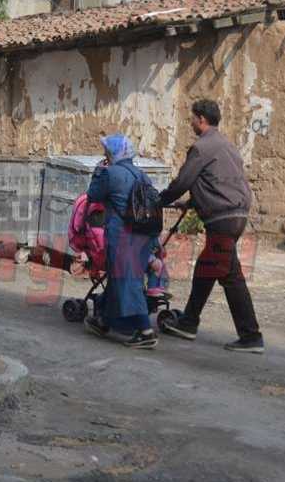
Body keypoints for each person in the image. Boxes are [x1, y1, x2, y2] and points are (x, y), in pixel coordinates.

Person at [158, 100, 265, 354]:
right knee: (210, 269)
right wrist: (194, 202)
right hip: (235, 215)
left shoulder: (201, 147)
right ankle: (189, 322)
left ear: (202, 119)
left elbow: (183, 180)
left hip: (222, 219)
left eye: (192, 118)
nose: (191, 123)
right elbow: (218, 182)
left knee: (229, 277)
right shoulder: (227, 146)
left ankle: (250, 336)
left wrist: (159, 200)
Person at [84, 133, 158, 349]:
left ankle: (145, 332)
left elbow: (92, 196)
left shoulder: (110, 174)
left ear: (113, 152)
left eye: (107, 150)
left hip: (123, 235)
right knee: (118, 279)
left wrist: (98, 171)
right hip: (143, 236)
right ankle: (104, 321)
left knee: (129, 281)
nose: (104, 153)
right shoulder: (142, 175)